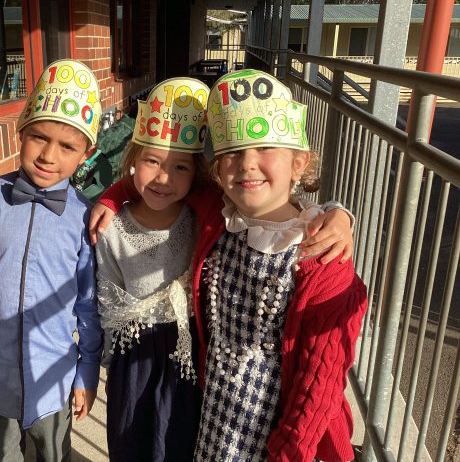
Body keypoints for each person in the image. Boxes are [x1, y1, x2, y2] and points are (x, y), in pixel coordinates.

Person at [188, 69, 368, 462]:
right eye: (232, 152)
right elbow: (161, 185)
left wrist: (290, 453)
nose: (247, 164)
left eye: (265, 148)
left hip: (279, 431)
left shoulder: (322, 258)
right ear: (217, 171)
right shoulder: (220, 217)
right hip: (217, 412)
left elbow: (319, 384)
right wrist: (113, 198)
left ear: (299, 164)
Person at [0, 59, 103, 462]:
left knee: (54, 454)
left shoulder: (85, 217)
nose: (48, 155)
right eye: (39, 137)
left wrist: (87, 370)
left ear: (87, 153)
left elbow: (89, 305)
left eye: (67, 146)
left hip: (53, 382)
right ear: (21, 131)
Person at [95, 77, 210, 462]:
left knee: (177, 440)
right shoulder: (111, 229)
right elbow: (109, 303)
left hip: (185, 354)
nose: (164, 178)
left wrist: (335, 215)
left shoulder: (202, 219)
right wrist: (109, 363)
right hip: (133, 357)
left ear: (196, 173)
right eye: (152, 161)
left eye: (181, 167)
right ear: (133, 160)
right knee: (131, 438)